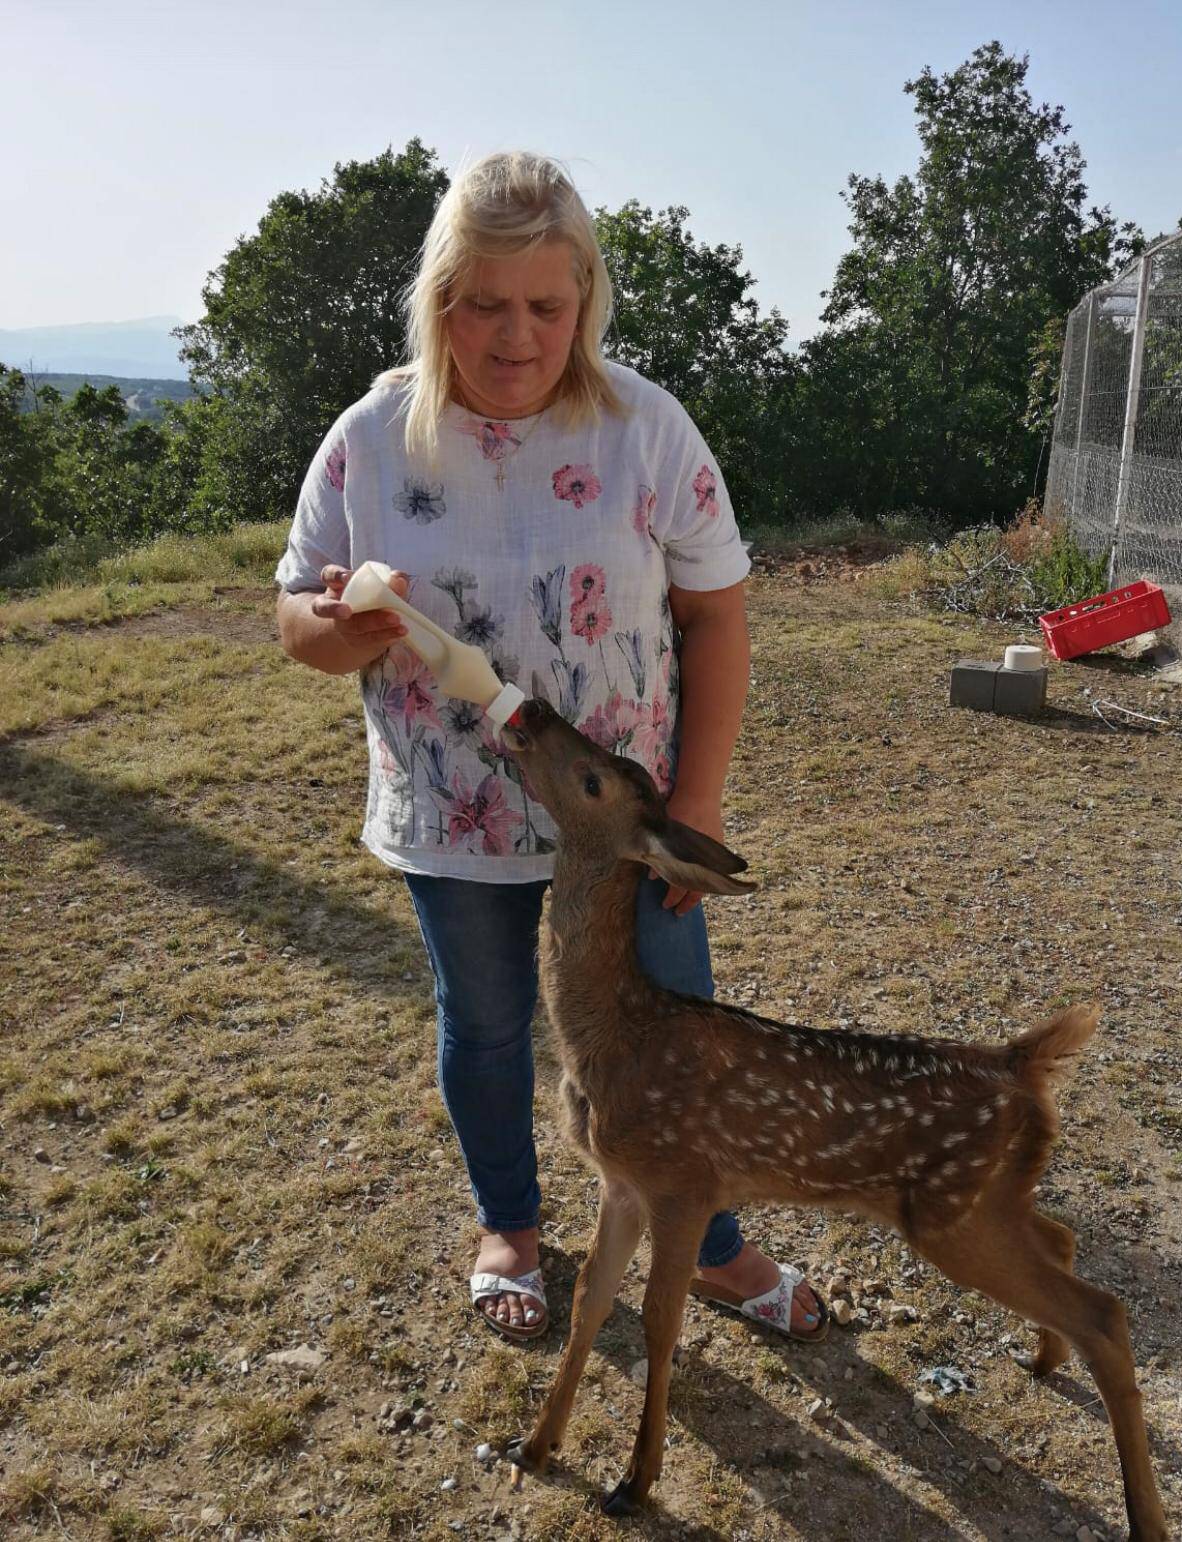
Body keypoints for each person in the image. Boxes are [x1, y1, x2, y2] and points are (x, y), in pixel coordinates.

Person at [274, 151, 826, 1344]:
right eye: (482, 301)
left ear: (585, 301)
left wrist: (703, 810)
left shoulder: (647, 429)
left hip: (626, 825)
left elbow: (718, 612)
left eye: (545, 304)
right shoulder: (373, 436)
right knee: (483, 1025)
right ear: (439, 302)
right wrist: (333, 626)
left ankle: (712, 1243)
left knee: (674, 1032)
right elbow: (294, 618)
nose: (513, 333)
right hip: (450, 816)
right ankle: (511, 1226)